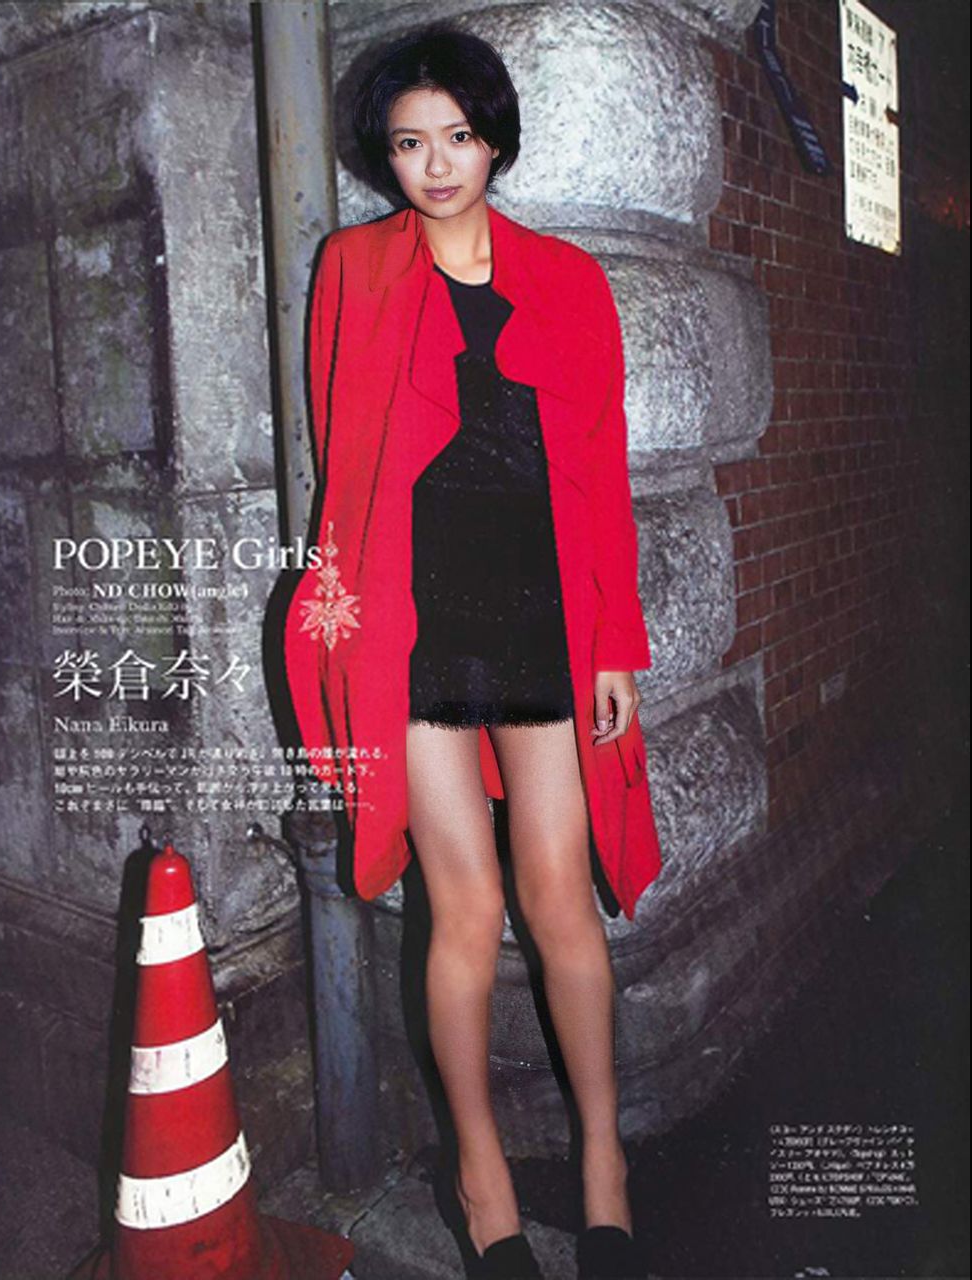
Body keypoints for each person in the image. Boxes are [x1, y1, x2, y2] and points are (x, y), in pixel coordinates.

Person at [285, 21, 661, 1280]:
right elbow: (341, 469)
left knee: (558, 897)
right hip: (417, 623)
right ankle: (481, 1177)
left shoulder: (569, 279)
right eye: (408, 144)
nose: (436, 164)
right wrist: (340, 640)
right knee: (466, 906)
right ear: (383, 156)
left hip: (542, 611)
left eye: (455, 136)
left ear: (492, 139)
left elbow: (600, 470)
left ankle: (602, 1166)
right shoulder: (352, 269)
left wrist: (613, 641)